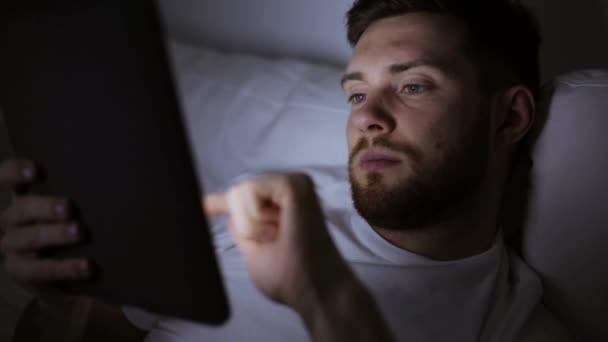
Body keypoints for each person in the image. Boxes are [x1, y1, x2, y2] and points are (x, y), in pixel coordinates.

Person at [0, 0, 575, 341]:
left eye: (413, 85)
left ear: (510, 118)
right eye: (355, 95)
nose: (368, 118)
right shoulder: (260, 218)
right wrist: (59, 302)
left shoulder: (514, 326)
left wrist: (323, 297)